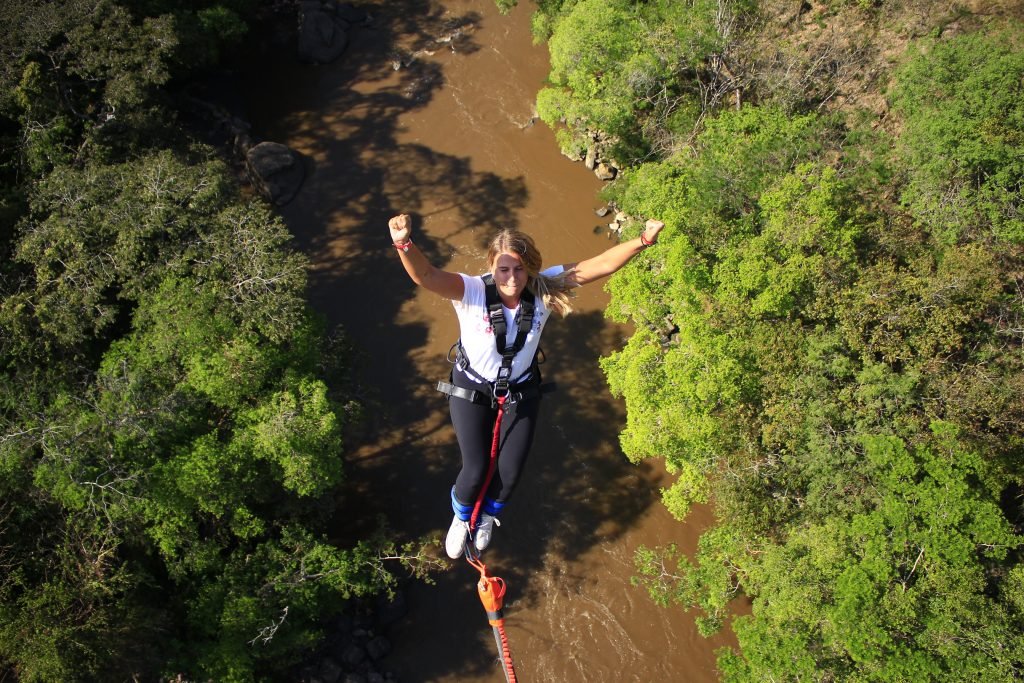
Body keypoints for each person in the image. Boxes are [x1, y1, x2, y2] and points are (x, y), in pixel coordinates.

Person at [387, 213, 665, 559]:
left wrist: (643, 241)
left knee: (510, 472)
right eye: (503, 270)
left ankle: (488, 515)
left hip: (520, 390)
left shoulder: (545, 286)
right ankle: (461, 519)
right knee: (474, 470)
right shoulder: (472, 290)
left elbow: (602, 265)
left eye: (518, 269)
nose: (512, 278)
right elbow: (427, 275)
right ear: (491, 266)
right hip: (473, 389)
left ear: (529, 267)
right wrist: (403, 243)